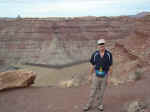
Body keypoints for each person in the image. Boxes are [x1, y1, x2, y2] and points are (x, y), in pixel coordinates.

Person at [83, 39, 113, 111]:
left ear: (105, 46)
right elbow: (93, 65)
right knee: (93, 91)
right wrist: (90, 75)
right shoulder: (95, 54)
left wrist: (110, 77)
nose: (102, 47)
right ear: (98, 46)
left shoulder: (108, 54)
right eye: (100, 46)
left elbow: (110, 66)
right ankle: (88, 105)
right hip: (96, 75)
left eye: (103, 46)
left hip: (105, 75)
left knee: (101, 91)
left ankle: (99, 105)